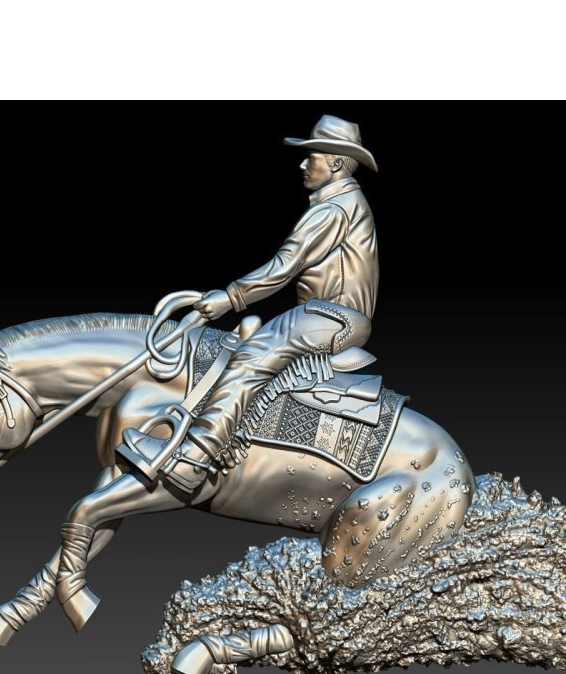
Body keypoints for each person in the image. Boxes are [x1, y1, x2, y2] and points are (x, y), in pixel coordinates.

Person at [123, 115, 380, 493]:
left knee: (254, 354)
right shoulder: (342, 204)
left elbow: (285, 265)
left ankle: (195, 457)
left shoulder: (334, 209)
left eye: (312, 157)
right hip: (326, 314)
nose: (303, 164)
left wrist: (230, 297)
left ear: (337, 163)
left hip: (333, 316)